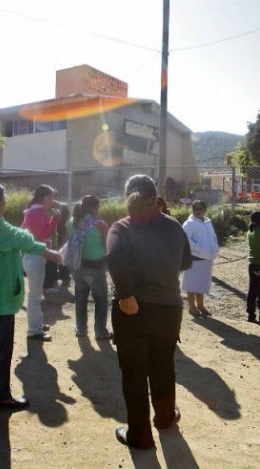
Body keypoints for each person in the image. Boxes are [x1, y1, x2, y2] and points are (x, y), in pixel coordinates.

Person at [0, 181, 62, 432]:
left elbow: (20, 238)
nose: (5, 203)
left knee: (2, 354)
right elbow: (22, 237)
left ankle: (1, 395)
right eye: (4, 198)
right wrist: (45, 250)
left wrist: (45, 251)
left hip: (2, 301)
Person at [106, 174, 192, 450]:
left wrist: (127, 294)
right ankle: (165, 418)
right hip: (168, 309)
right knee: (163, 365)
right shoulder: (174, 226)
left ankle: (140, 435)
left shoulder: (122, 227)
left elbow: (116, 261)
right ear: (155, 196)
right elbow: (186, 261)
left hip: (134, 310)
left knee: (134, 372)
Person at [66, 195, 111, 339]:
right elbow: (108, 246)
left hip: (77, 267)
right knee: (101, 300)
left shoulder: (72, 221)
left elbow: (67, 241)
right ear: (93, 208)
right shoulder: (100, 224)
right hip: (95, 268)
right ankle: (100, 331)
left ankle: (81, 329)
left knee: (80, 298)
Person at [21, 185, 62, 341]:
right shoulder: (36, 212)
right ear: (42, 198)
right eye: (50, 198)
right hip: (35, 257)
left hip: (35, 256)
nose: (52, 201)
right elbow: (44, 234)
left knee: (35, 294)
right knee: (35, 295)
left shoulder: (34, 211)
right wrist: (55, 220)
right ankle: (34, 330)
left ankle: (37, 324)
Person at [181, 200, 218, 317]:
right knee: (192, 284)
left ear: (204, 210)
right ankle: (192, 307)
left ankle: (201, 306)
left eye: (200, 209)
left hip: (207, 259)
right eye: (195, 209)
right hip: (194, 259)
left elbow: (213, 237)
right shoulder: (189, 224)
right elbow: (187, 241)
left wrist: (215, 248)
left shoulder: (208, 222)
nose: (197, 211)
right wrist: (200, 250)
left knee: (201, 284)